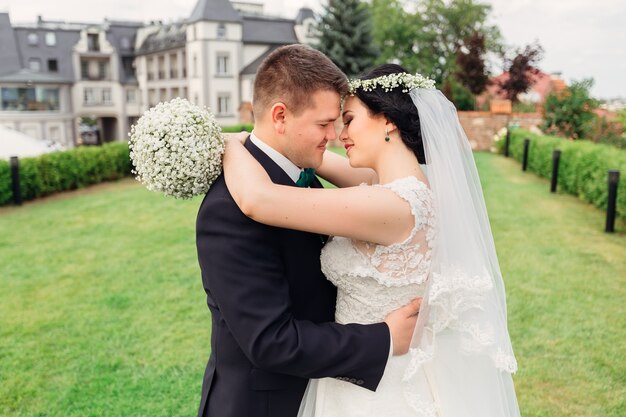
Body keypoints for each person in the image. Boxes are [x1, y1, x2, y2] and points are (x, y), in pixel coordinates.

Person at [223, 63, 521, 416]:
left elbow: (259, 200)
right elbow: (326, 164)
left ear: (388, 121)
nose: (338, 133)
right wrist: (290, 142)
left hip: (381, 384)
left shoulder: (392, 204)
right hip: (361, 369)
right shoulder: (407, 184)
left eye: (348, 120)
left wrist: (229, 144)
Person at [195, 45, 422, 417]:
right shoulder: (227, 210)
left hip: (337, 390)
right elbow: (271, 341)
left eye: (341, 121)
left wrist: (234, 143)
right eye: (324, 124)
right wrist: (382, 339)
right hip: (266, 405)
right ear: (280, 116)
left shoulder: (304, 179)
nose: (335, 135)